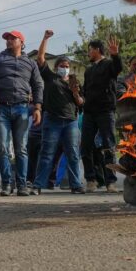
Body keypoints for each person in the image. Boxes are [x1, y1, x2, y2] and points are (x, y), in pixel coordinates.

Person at [0, 30, 44, 196]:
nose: (9, 40)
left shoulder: (30, 63)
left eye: (13, 38)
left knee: (21, 149)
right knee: (2, 148)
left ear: (21, 41)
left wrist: (38, 108)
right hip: (1, 108)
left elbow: (38, 85)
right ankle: (6, 184)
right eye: (7, 38)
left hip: (22, 109)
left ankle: (22, 185)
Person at [32, 30, 85, 194]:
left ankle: (76, 185)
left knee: (73, 155)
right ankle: (37, 185)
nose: (65, 68)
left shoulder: (75, 82)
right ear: (56, 67)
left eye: (67, 67)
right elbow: (40, 59)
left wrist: (76, 93)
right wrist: (45, 38)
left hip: (71, 122)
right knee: (47, 154)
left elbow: (81, 102)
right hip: (52, 121)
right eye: (62, 66)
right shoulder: (50, 77)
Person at [81, 37, 122, 193]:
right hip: (89, 113)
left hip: (105, 112)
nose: (88, 53)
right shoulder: (89, 70)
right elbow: (85, 91)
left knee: (108, 146)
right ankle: (91, 180)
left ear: (97, 50)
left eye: (90, 49)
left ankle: (110, 182)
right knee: (85, 146)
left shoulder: (109, 65)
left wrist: (115, 55)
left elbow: (118, 68)